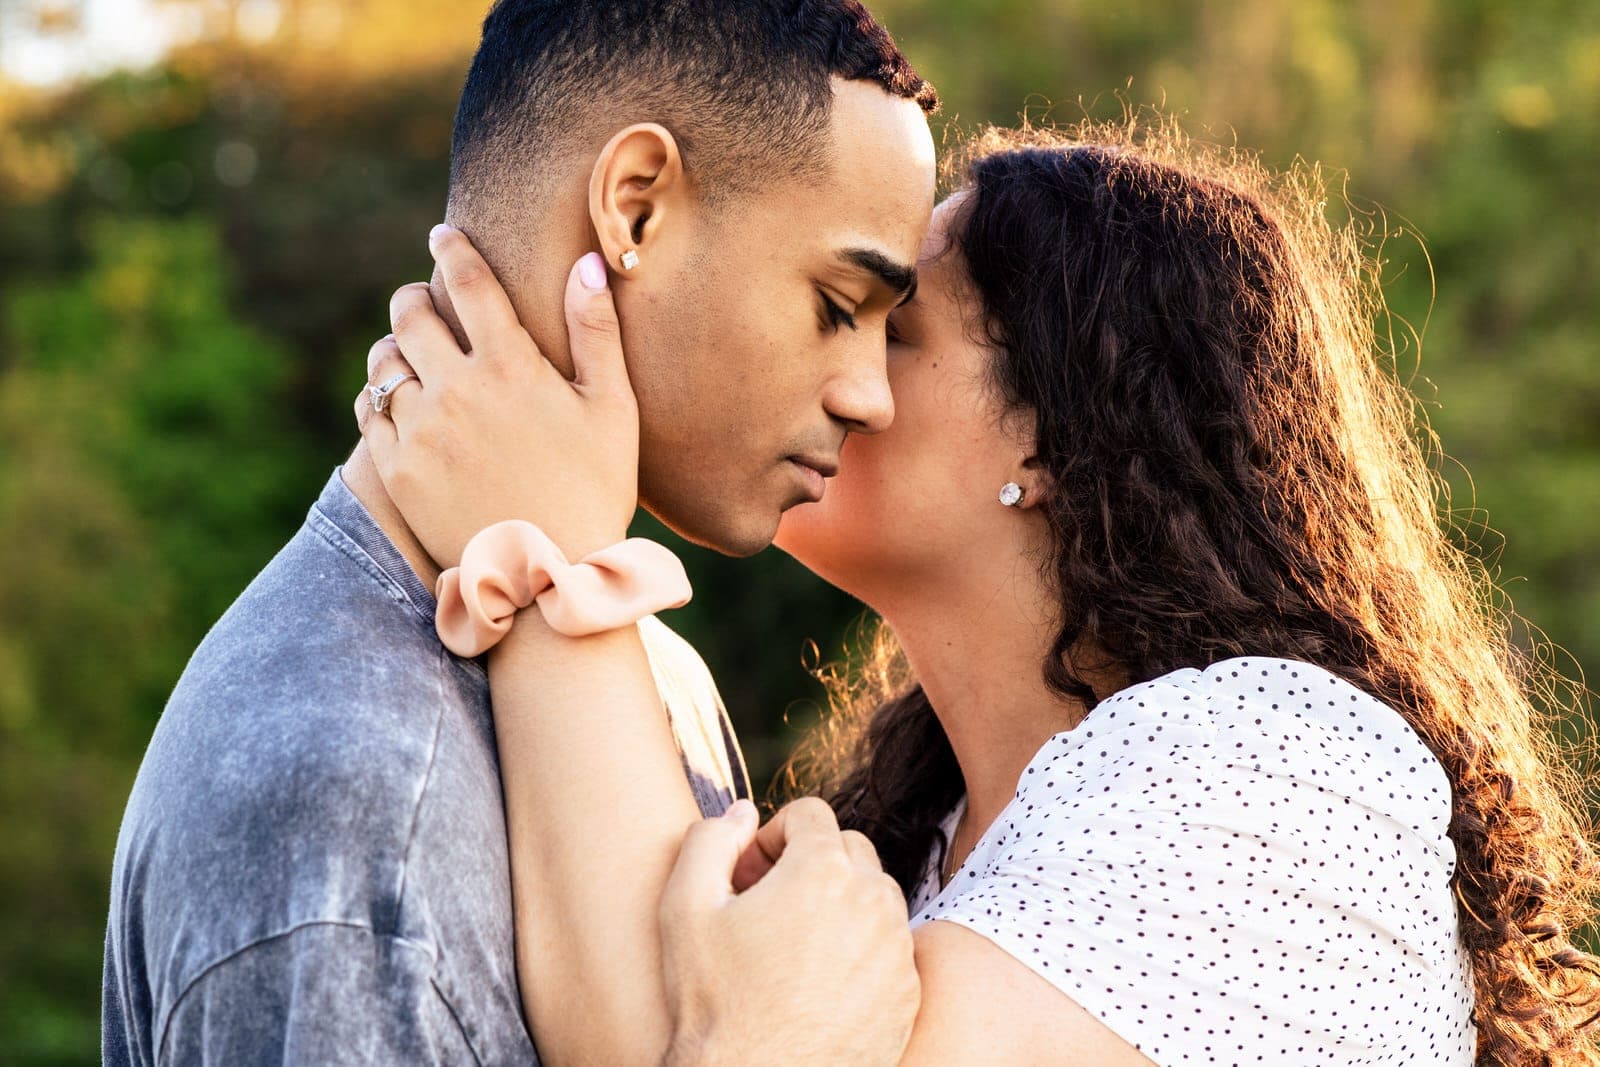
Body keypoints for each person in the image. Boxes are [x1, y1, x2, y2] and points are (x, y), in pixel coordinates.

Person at [361, 119, 1600, 1064]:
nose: (832, 372)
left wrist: (540, 545)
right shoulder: (923, 848)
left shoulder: (1281, 767)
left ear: (1053, 440)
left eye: (883, 327)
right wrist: (537, 541)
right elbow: (643, 1032)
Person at [101, 1, 940, 1062]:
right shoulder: (351, 792)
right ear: (634, 211)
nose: (871, 396)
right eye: (837, 302)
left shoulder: (649, 674)